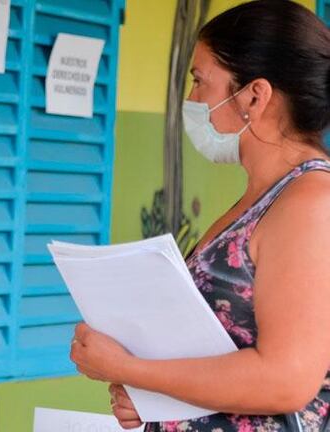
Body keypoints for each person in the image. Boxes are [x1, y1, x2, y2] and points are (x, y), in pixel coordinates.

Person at [69, 1, 330, 431]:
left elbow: (286, 381)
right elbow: (228, 355)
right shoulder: (260, 200)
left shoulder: (309, 204)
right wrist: (160, 398)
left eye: (199, 80)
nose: (191, 99)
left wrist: (130, 369)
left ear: (254, 95)